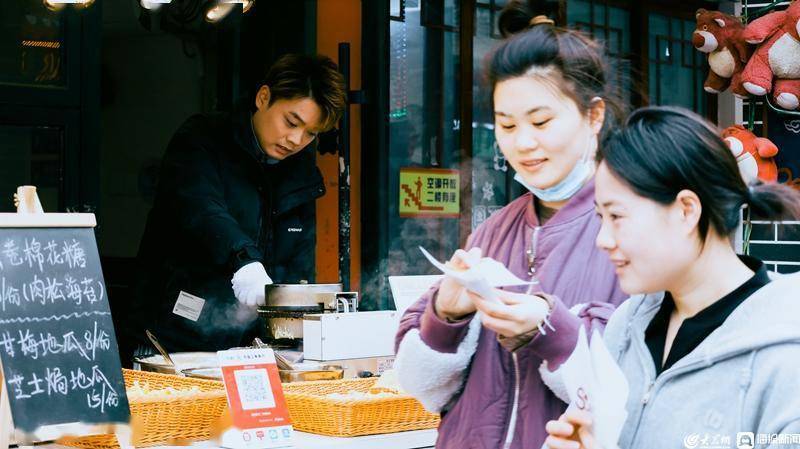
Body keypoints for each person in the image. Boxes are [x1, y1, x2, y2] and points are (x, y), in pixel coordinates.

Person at [393, 1, 628, 448]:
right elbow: (419, 389)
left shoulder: (636, 231)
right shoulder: (491, 231)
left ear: (593, 116)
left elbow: (642, 389)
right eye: (506, 124)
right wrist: (447, 315)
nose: (522, 143)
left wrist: (552, 331)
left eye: (541, 121)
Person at [543, 106, 800, 449]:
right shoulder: (626, 326)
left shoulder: (785, 361)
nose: (602, 240)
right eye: (600, 217)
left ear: (686, 210)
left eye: (617, 216)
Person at [124, 54, 347, 355]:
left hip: (248, 346)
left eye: (311, 134)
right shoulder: (203, 140)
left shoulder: (301, 175)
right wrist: (244, 261)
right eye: (291, 122)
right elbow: (201, 209)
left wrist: (293, 329)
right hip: (171, 335)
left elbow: (297, 260)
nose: (296, 140)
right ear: (263, 97)